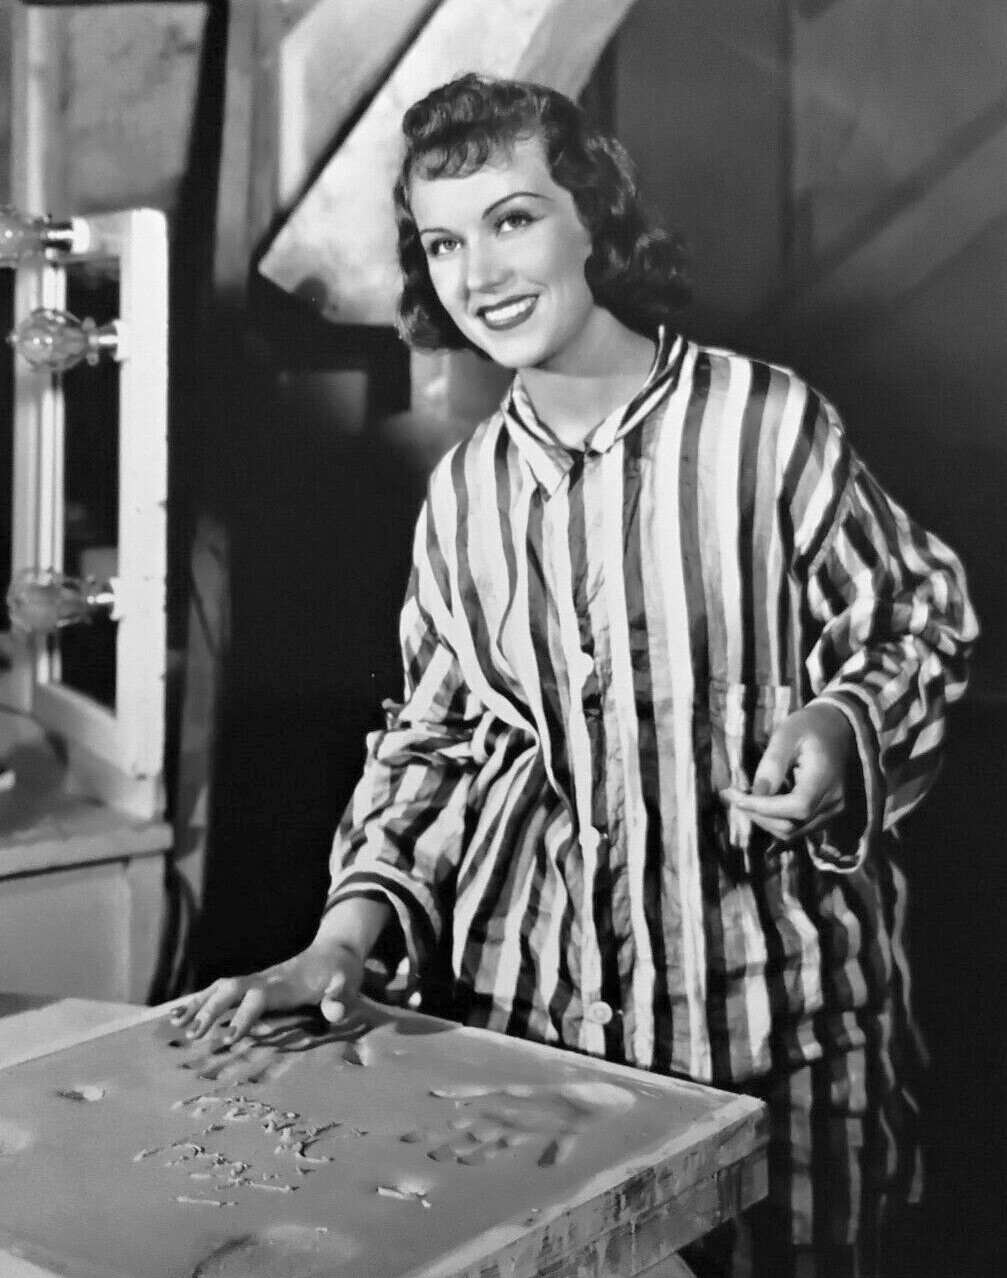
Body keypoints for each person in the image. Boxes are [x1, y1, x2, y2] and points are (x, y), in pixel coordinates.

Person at [173, 74, 978, 1276]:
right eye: (444, 241)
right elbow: (435, 742)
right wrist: (341, 938)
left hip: (784, 1043)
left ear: (593, 219)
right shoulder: (463, 497)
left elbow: (918, 615)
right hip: (542, 1047)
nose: (479, 271)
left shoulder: (765, 425)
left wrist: (837, 717)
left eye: (513, 218)